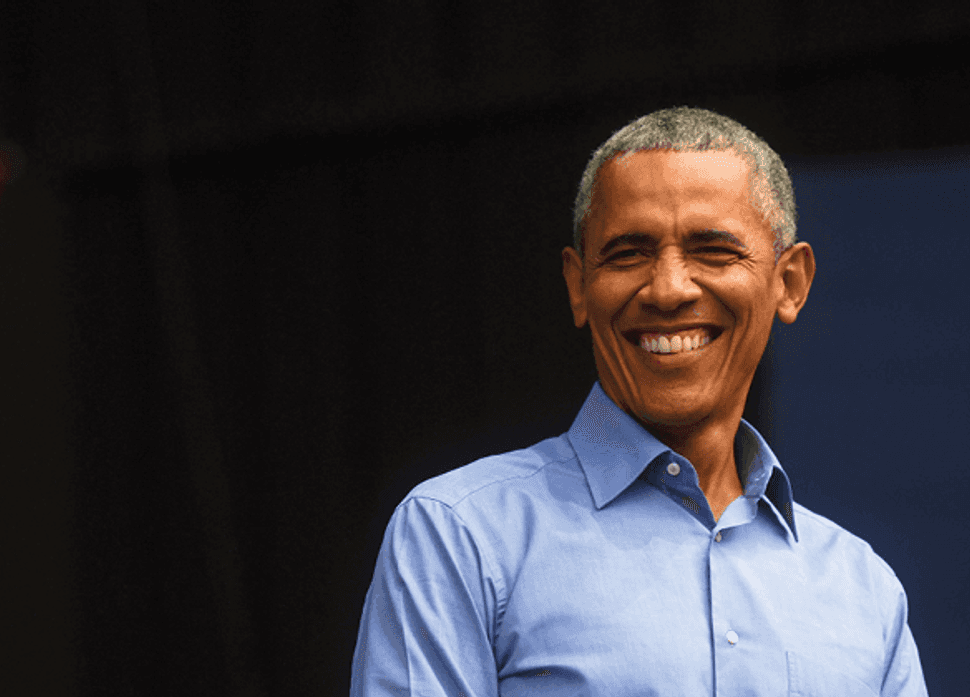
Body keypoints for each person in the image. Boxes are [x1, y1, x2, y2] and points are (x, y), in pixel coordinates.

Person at [350, 107, 927, 696]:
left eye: (713, 250)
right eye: (628, 253)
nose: (669, 288)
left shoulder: (865, 592)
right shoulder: (461, 536)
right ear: (579, 287)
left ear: (790, 283)